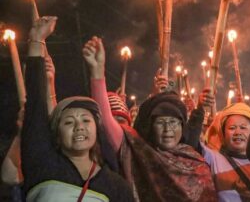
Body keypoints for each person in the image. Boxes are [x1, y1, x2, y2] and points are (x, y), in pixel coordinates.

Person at [83, 37, 217, 201]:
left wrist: (200, 109)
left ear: (183, 127)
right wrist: (97, 73)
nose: (168, 129)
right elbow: (106, 121)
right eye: (161, 122)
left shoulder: (196, 161)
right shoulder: (139, 151)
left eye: (174, 122)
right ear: (151, 125)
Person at [22, 16, 132, 201]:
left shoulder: (115, 185)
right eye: (68, 122)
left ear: (98, 131)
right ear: (57, 132)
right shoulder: (41, 163)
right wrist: (36, 41)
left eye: (86, 120)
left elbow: (106, 118)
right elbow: (35, 105)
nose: (79, 126)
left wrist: (98, 70)